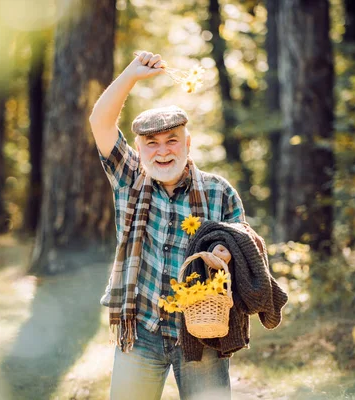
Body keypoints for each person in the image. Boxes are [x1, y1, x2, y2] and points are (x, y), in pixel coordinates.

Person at [89, 51, 246, 400]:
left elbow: (245, 250)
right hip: (141, 331)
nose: (162, 151)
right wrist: (130, 74)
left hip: (203, 330)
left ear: (188, 144)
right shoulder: (130, 179)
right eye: (151, 143)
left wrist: (226, 253)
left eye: (172, 140)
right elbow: (100, 122)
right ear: (140, 149)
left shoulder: (220, 192)